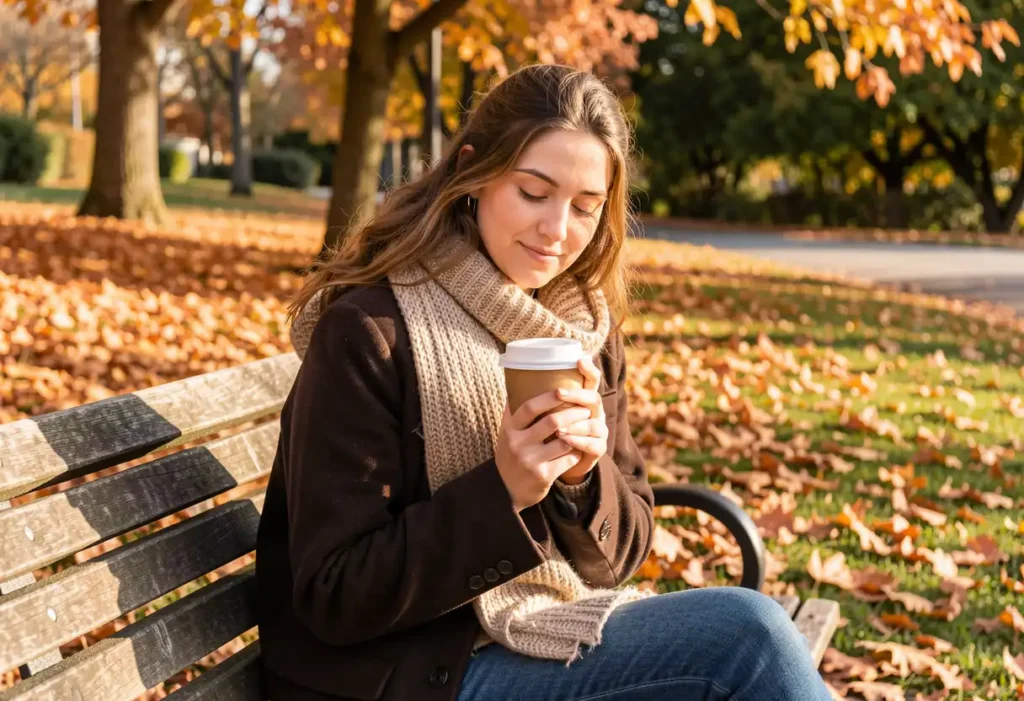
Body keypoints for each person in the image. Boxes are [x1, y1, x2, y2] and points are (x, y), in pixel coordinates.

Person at [254, 64, 832, 701]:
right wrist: (503, 491)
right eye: (534, 193)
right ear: (473, 174)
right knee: (748, 638)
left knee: (748, 641)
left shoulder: (580, 328)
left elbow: (620, 554)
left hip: (538, 633)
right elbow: (332, 595)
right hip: (401, 677)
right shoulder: (369, 331)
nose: (558, 231)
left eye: (585, 208)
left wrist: (582, 482)